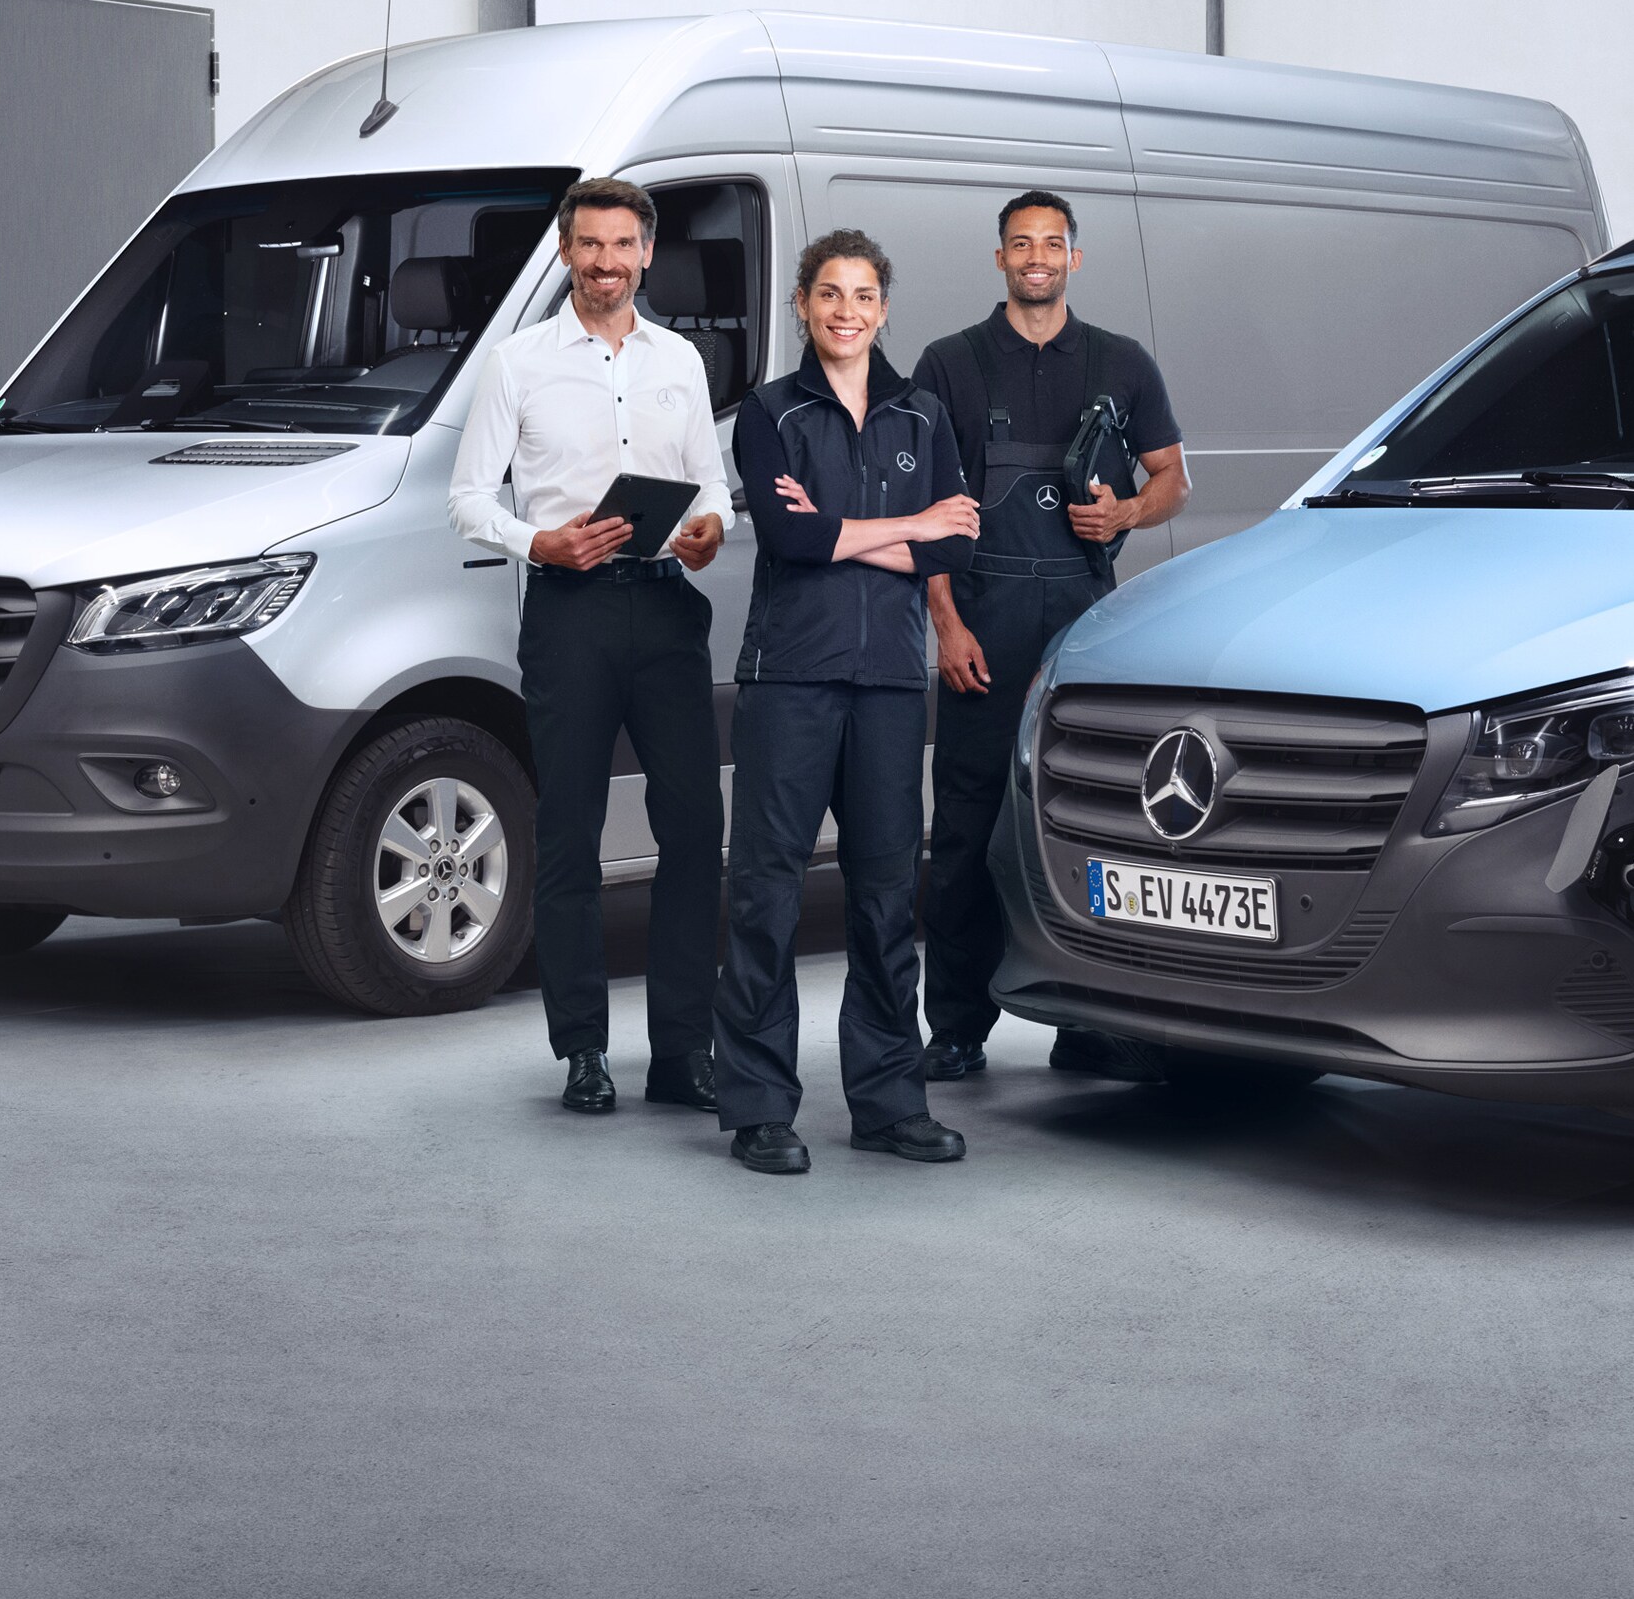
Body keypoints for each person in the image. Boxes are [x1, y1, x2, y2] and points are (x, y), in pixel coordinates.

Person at [449, 176, 731, 1117]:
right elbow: (466, 498)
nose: (606, 262)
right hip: (568, 613)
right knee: (567, 830)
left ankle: (682, 1052)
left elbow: (710, 487)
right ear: (566, 253)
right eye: (589, 245)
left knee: (694, 829)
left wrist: (707, 530)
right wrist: (541, 542)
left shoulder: (679, 360)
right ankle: (583, 1052)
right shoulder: (517, 364)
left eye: (622, 245)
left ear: (647, 253)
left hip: (665, 612)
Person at [712, 231, 981, 1175]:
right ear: (801, 303)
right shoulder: (771, 412)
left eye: (863, 296)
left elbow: (953, 551)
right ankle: (756, 1104)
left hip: (888, 687)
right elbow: (786, 539)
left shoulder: (921, 416)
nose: (846, 311)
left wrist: (845, 532)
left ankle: (886, 1101)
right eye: (829, 294)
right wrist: (906, 525)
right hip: (789, 677)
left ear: (883, 309)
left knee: (879, 900)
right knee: (765, 896)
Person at [914, 190, 1189, 1082]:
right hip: (983, 630)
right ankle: (956, 1027)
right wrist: (946, 626)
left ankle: (1089, 1020)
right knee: (961, 832)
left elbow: (1172, 480)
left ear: (1075, 257)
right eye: (1020, 244)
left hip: (1084, 631)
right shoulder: (949, 364)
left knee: (1088, 831)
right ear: (998, 258)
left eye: (1052, 244)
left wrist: (1126, 516)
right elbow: (922, 514)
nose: (1037, 257)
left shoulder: (1122, 362)